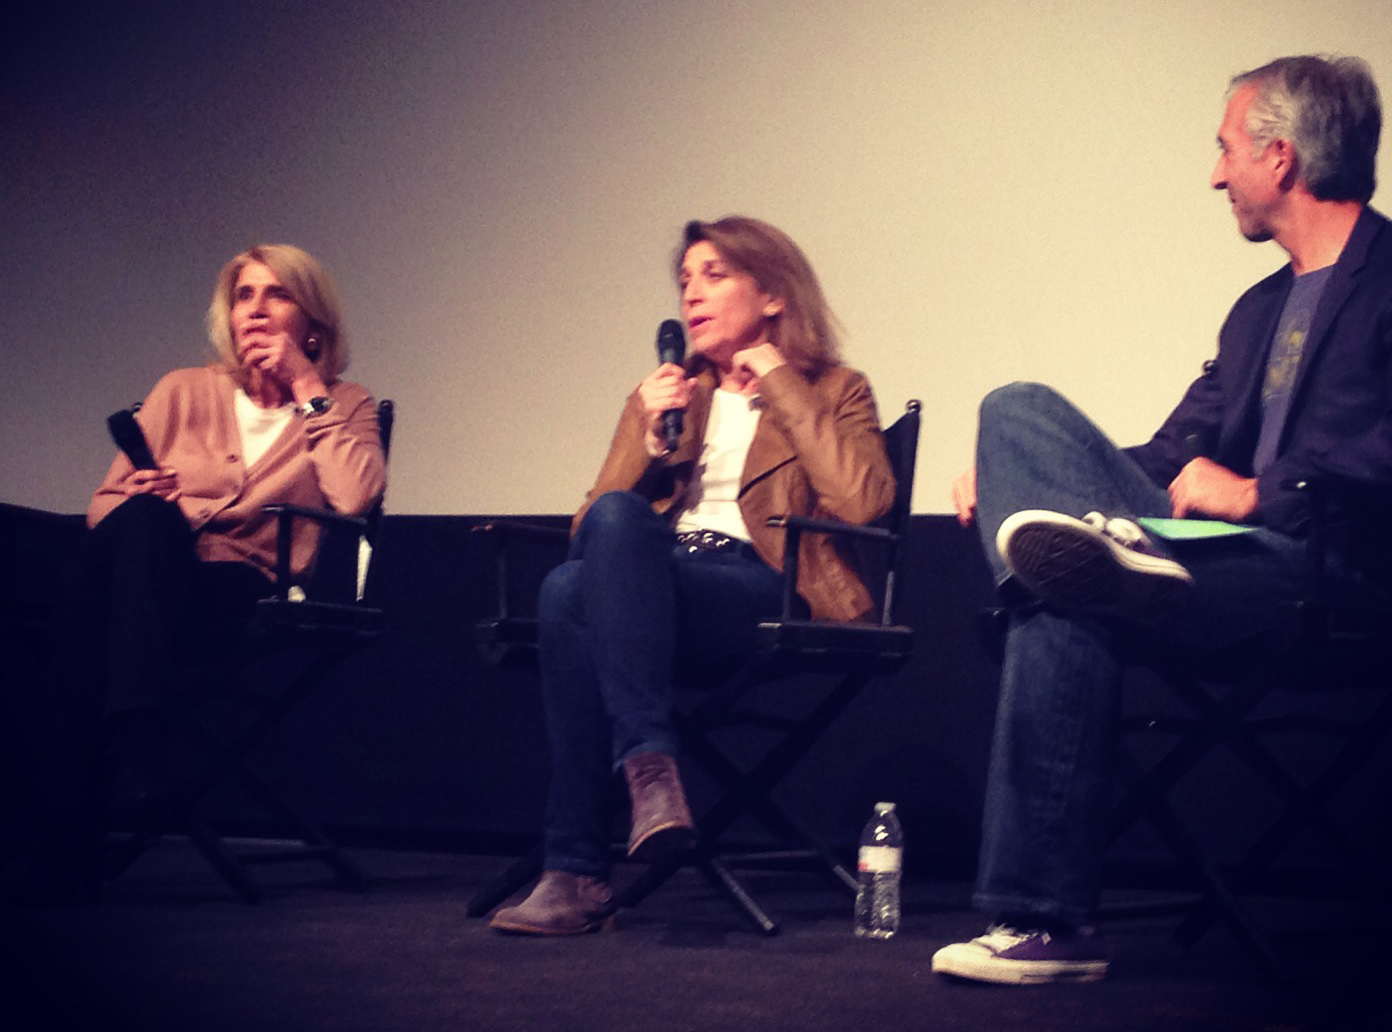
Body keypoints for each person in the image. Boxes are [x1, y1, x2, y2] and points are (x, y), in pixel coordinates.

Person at [935, 55, 1390, 985]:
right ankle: (1079, 567)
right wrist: (1022, 472)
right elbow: (1166, 451)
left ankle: (1041, 925)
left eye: (1226, 150)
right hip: (1207, 565)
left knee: (1066, 598)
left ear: (1281, 157)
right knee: (1014, 412)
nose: (1216, 174)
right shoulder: (1257, 309)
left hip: (1327, 574)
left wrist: (1269, 494)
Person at [489, 216, 896, 935]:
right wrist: (646, 443)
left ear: (771, 294)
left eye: (714, 276)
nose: (692, 297)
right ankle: (649, 773)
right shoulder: (671, 396)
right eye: (684, 282)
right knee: (583, 563)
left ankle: (576, 867)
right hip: (648, 586)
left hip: (764, 589)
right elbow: (588, 534)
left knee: (566, 598)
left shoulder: (834, 389)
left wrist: (777, 379)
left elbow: (864, 500)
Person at [23, 244, 386, 898]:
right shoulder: (181, 389)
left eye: (274, 294)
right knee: (134, 529)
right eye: (244, 296)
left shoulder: (343, 402)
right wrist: (149, 498)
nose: (254, 309)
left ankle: (67, 829)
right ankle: (134, 754)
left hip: (237, 588)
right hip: (145, 578)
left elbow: (356, 495)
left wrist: (307, 387)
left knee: (77, 601)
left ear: (313, 319)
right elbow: (103, 507)